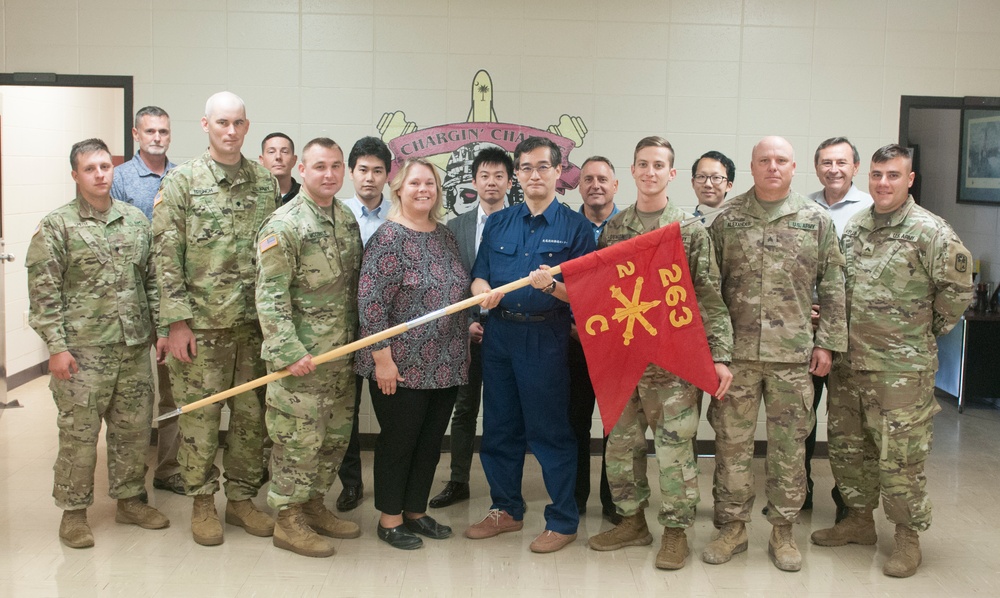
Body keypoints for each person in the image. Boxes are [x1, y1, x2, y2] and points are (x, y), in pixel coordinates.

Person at [811, 144, 973, 578]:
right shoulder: (856, 226)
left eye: (893, 175)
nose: (883, 183)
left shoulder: (931, 231)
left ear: (910, 179)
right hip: (849, 365)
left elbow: (957, 293)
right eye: (878, 175)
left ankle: (906, 537)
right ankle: (860, 522)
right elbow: (838, 285)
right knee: (849, 450)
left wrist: (918, 334)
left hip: (901, 373)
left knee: (899, 459)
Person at [587, 137, 733, 570]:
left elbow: (710, 297)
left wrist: (720, 356)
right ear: (631, 172)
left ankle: (675, 532)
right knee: (621, 447)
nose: (650, 172)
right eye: (643, 165)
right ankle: (632, 522)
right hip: (627, 361)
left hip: (674, 365)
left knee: (674, 452)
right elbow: (604, 294)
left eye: (659, 166)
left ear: (671, 175)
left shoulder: (688, 230)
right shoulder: (614, 230)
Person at [705, 136, 847, 572]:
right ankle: (732, 527)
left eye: (780, 160)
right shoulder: (725, 220)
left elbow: (835, 284)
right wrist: (715, 353)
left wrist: (827, 343)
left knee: (790, 449)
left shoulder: (816, 220)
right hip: (737, 357)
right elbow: (708, 290)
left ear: (793, 166)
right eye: (764, 160)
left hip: (793, 357)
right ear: (751, 166)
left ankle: (783, 531)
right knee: (731, 446)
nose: (772, 166)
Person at [27, 138, 168, 548]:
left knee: (133, 432)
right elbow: (44, 292)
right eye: (90, 168)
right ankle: (73, 513)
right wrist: (56, 347)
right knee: (79, 435)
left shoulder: (135, 221)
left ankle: (130, 500)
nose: (100, 174)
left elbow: (153, 281)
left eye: (105, 166)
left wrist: (160, 331)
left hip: (132, 349)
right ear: (76, 175)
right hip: (81, 353)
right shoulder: (57, 225)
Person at [154, 91, 279, 546]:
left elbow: (273, 252)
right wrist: (176, 322)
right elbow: (166, 256)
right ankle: (202, 502)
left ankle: (242, 500)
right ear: (205, 125)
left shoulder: (265, 182)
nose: (231, 131)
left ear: (247, 127)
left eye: (238, 123)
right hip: (200, 328)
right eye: (222, 122)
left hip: (253, 325)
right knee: (201, 420)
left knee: (251, 420)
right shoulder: (182, 181)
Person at [466, 136, 596, 554]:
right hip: (500, 335)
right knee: (500, 428)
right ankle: (506, 509)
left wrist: (554, 287)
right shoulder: (501, 223)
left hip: (546, 337)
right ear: (517, 175)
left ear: (559, 173)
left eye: (543, 167)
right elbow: (479, 274)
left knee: (550, 431)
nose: (533, 175)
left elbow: (586, 296)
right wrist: (484, 291)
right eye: (525, 168)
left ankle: (562, 519)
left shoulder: (575, 228)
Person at [255, 137, 364, 558]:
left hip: (339, 357)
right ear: (302, 170)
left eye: (336, 166)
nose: (329, 174)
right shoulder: (284, 225)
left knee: (332, 439)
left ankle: (315, 505)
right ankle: (288, 518)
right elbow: (270, 296)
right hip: (301, 362)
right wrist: (288, 352)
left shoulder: (345, 219)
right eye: (320, 166)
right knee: (296, 442)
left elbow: (352, 289)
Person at [354, 158, 470, 550]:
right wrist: (382, 361)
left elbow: (455, 289)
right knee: (399, 442)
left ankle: (416, 511)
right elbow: (371, 305)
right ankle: (390, 518)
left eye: (431, 184)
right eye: (416, 183)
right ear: (399, 189)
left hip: (446, 362)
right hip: (401, 366)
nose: (424, 190)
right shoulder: (388, 238)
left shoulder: (444, 235)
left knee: (429, 442)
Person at [430, 146, 513, 509]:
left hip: (509, 331)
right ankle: (459, 479)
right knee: (464, 410)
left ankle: (505, 487)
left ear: (510, 182)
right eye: (485, 175)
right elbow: (449, 282)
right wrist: (465, 324)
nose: (491, 182)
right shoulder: (455, 227)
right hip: (464, 335)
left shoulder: (521, 221)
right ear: (474, 180)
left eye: (499, 176)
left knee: (504, 410)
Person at [109, 105, 183, 495]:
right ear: (136, 134)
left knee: (175, 387)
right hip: (132, 303)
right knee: (133, 393)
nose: (157, 137)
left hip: (173, 300)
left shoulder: (182, 177)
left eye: (163, 131)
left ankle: (168, 468)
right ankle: (129, 475)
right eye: (150, 131)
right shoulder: (119, 179)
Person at [804, 136, 873, 518]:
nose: (834, 169)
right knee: (802, 419)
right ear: (816, 168)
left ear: (855, 167)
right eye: (826, 163)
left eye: (841, 163)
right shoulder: (801, 207)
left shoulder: (871, 209)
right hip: (805, 331)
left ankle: (849, 507)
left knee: (849, 425)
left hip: (852, 335)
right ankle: (799, 494)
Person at [336, 135, 393, 512]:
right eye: (363, 170)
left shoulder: (399, 215)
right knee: (345, 411)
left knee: (391, 411)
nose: (369, 178)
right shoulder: (336, 214)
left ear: (388, 175)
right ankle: (351, 482)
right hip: (341, 328)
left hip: (387, 332)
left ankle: (391, 485)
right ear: (351, 174)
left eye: (377, 171)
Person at [568, 156, 618, 520]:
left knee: (619, 425)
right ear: (578, 185)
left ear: (616, 185)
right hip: (572, 342)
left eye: (603, 178)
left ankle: (615, 500)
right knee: (574, 423)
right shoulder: (568, 226)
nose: (595, 185)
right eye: (588, 179)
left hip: (620, 344)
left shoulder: (634, 229)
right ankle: (574, 497)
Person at [691, 151, 735, 222]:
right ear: (693, 182)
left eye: (716, 177)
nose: (708, 184)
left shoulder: (738, 226)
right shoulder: (683, 227)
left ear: (728, 186)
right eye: (702, 176)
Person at [259, 132, 300, 204]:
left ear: (294, 160)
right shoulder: (248, 195)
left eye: (284, 152)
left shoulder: (308, 196)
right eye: (271, 152)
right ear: (262, 160)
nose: (278, 157)